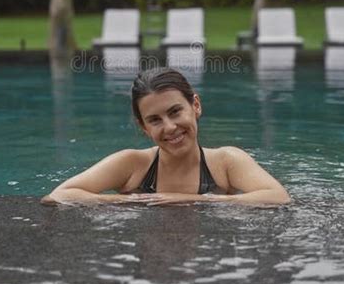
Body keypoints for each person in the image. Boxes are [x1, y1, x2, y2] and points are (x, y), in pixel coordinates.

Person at [41, 67, 291, 207]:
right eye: (155, 120)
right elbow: (58, 195)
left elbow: (278, 197)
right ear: (143, 127)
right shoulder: (132, 164)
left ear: (195, 106)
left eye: (175, 112)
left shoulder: (225, 162)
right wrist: (132, 201)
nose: (170, 127)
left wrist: (185, 200)